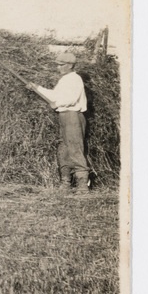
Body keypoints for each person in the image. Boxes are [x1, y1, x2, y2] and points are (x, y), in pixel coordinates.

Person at [26, 51, 90, 192]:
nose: (58, 67)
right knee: (64, 149)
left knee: (75, 148)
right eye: (58, 65)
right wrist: (37, 88)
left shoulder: (75, 79)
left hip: (73, 116)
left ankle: (83, 186)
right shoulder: (64, 80)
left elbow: (71, 99)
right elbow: (54, 95)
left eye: (61, 65)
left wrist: (57, 103)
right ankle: (65, 183)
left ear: (70, 65)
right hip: (63, 116)